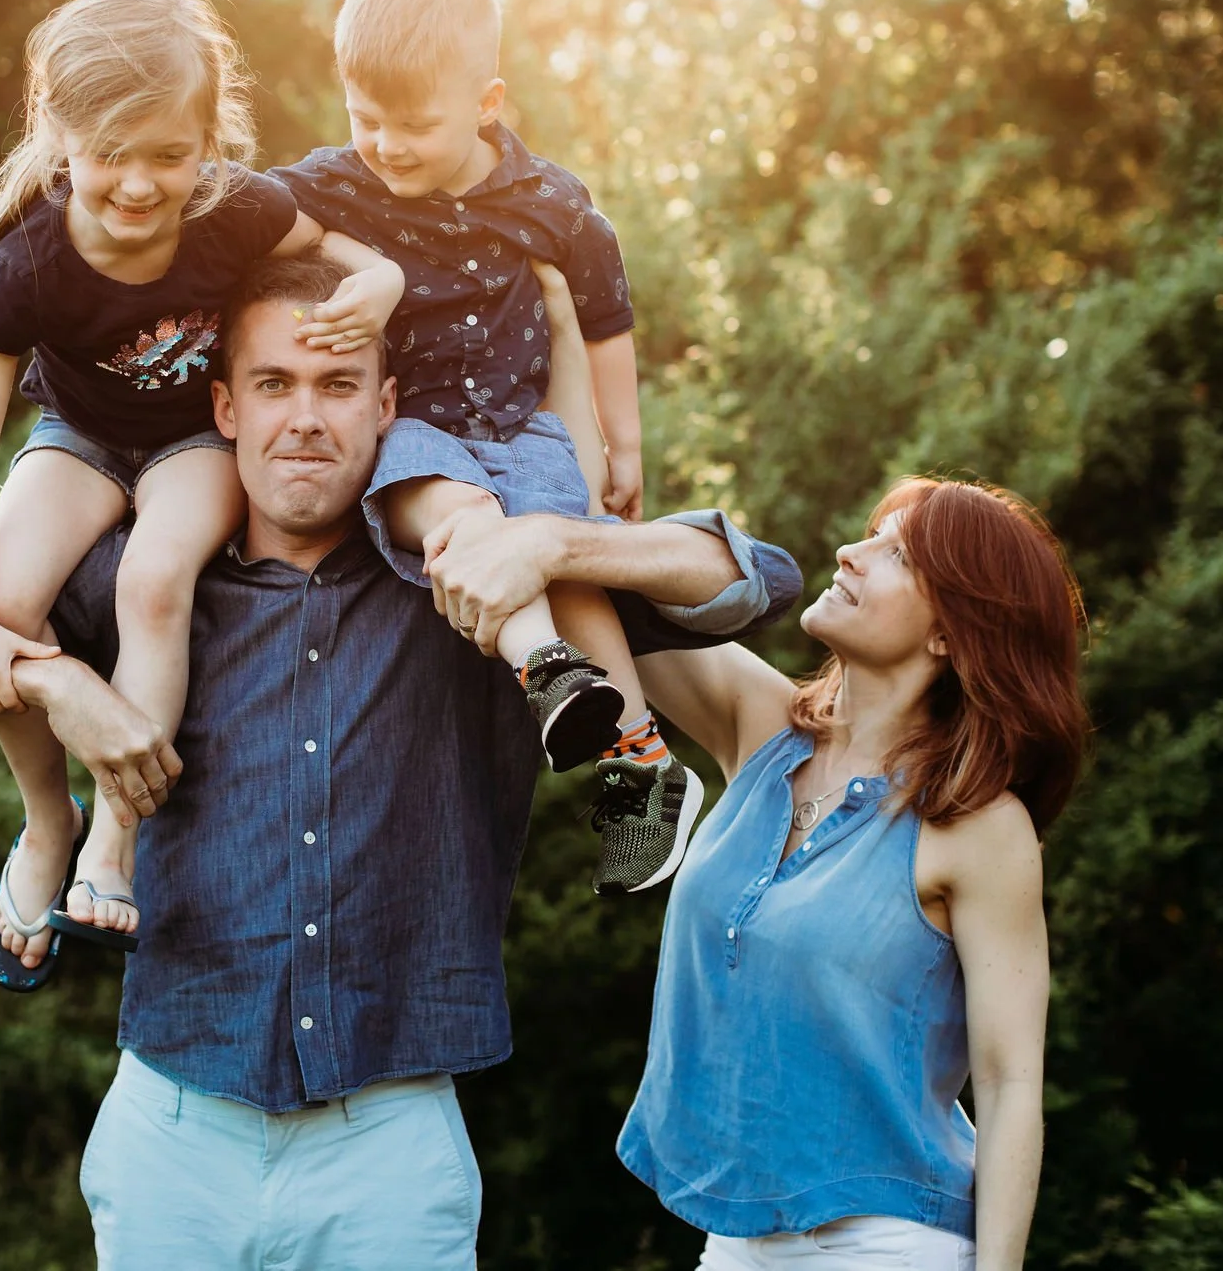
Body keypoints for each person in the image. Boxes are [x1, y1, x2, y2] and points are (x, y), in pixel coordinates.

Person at [0, 250, 803, 1269]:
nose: (305, 418)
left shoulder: (472, 585)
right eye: (275, 384)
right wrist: (60, 685)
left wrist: (550, 545)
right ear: (225, 407)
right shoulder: (134, 577)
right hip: (172, 1132)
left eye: (335, 386)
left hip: (390, 1142)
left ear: (386, 404)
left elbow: (755, 577)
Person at [426, 477, 1089, 1271]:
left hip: (887, 1240)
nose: (850, 551)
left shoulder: (979, 823)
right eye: (870, 532)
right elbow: (600, 587)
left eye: (896, 553)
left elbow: (1011, 1080)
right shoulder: (764, 728)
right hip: (737, 1242)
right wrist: (528, 527)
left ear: (951, 631)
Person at [0, 0, 402, 984]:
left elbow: (337, 249)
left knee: (154, 581)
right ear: (61, 138)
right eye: (110, 155)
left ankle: (114, 840)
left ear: (207, 140)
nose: (141, 185)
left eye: (169, 154)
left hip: (194, 437)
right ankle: (46, 820)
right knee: (10, 596)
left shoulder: (230, 211)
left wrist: (383, 282)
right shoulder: (26, 265)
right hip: (79, 437)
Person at [270, 0, 700, 897]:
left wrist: (625, 446)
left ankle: (640, 764)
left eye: (414, 124)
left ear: (486, 102)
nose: (384, 143)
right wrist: (355, 257)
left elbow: (604, 316)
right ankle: (548, 668)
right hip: (417, 425)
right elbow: (246, 216)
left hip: (525, 425)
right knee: (443, 504)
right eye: (364, 117)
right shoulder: (338, 187)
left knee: (565, 552)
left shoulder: (550, 200)